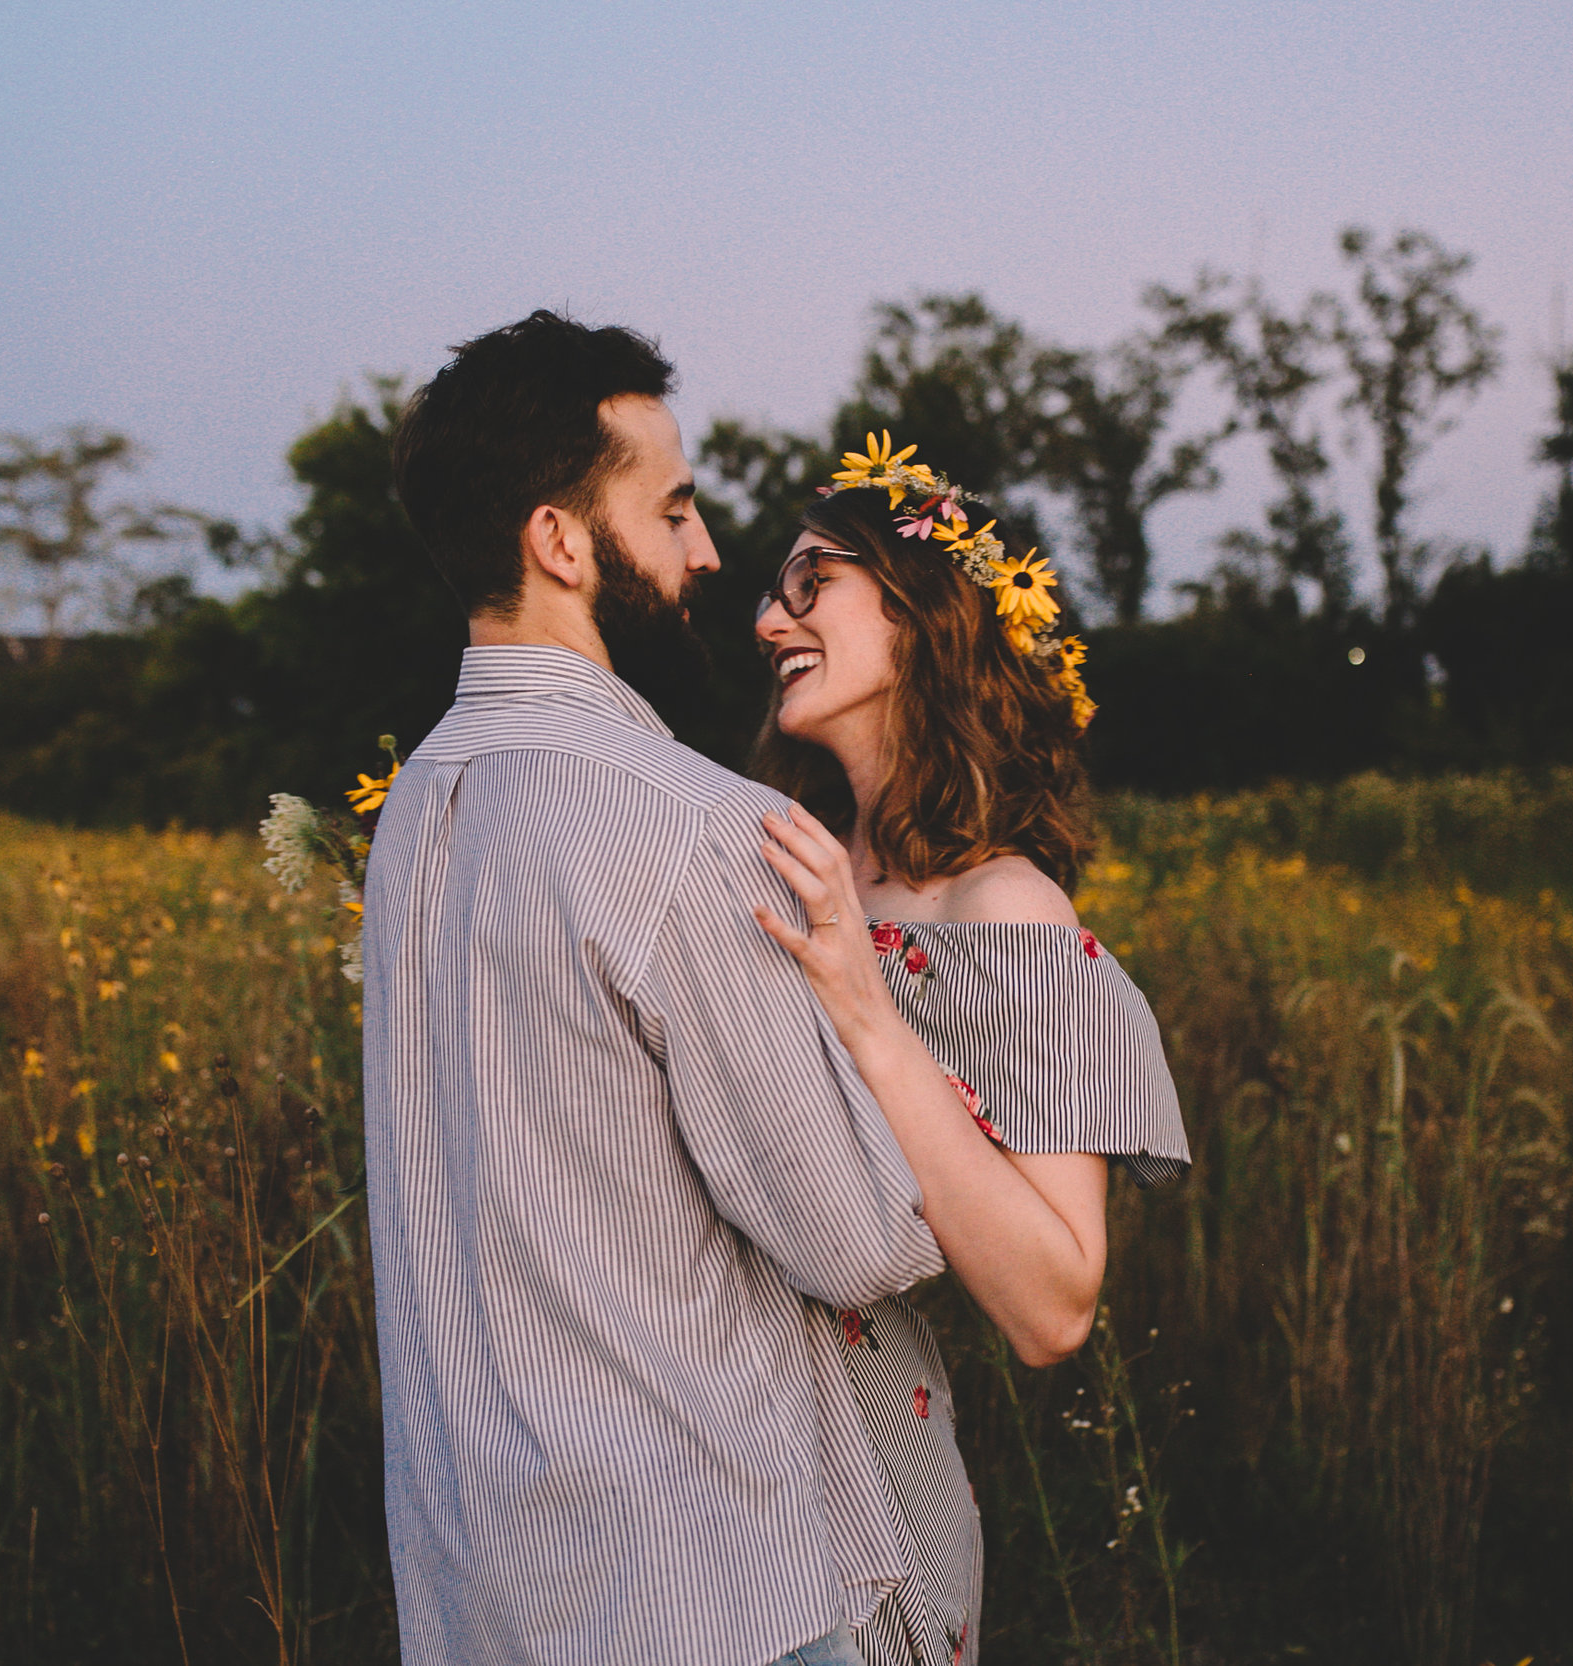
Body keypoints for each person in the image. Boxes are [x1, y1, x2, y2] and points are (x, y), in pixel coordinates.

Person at [366, 315, 946, 1666]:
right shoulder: (689, 824)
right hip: (704, 1589)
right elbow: (856, 1239)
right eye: (673, 508)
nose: (705, 552)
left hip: (480, 1588)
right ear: (561, 541)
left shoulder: (418, 806)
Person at [747, 437, 1191, 1666]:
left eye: (806, 581)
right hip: (691, 1455)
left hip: (859, 1494)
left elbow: (1056, 1306)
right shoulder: (789, 855)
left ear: (918, 611)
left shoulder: (1003, 911)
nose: (764, 617)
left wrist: (867, 1013)